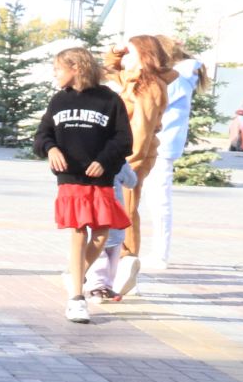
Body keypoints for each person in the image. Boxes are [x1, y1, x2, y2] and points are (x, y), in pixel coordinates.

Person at [32, 46, 131, 324]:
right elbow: (41, 136)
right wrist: (50, 149)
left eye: (58, 69)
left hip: (100, 178)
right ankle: (77, 298)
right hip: (70, 179)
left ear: (76, 67)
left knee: (100, 233)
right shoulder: (58, 101)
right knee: (78, 231)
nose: (55, 75)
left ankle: (74, 274)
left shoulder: (109, 100)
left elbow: (124, 141)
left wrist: (104, 160)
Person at [84, 35, 176, 301]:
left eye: (131, 53)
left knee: (125, 211)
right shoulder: (136, 79)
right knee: (122, 211)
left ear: (144, 55)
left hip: (132, 159)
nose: (126, 58)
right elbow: (108, 69)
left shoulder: (150, 87)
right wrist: (116, 50)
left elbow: (142, 131)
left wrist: (126, 166)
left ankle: (126, 266)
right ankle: (118, 269)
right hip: (125, 158)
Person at [148, 36, 208, 271]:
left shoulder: (178, 78)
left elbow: (158, 102)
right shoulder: (182, 75)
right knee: (156, 200)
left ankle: (160, 254)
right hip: (163, 142)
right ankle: (158, 251)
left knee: (159, 200)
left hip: (163, 144)